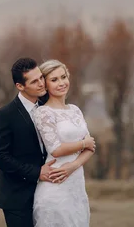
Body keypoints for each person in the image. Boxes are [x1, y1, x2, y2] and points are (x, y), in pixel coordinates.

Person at [0, 57, 59, 227]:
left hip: (49, 193)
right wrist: (36, 172)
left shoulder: (48, 105)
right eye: (34, 81)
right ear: (20, 86)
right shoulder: (5, 115)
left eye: (41, 78)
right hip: (18, 197)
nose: (41, 83)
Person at [31, 59, 96, 227]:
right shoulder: (43, 112)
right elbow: (56, 149)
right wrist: (83, 143)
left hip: (76, 185)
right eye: (54, 80)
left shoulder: (75, 110)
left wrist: (73, 166)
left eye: (63, 77)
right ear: (44, 84)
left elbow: (91, 147)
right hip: (55, 185)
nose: (61, 83)